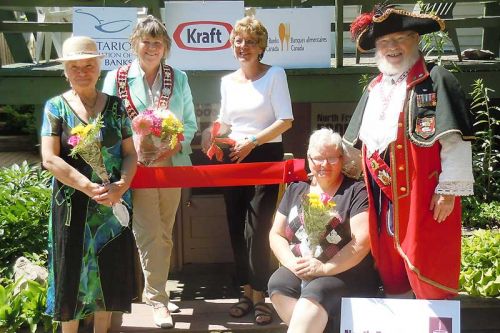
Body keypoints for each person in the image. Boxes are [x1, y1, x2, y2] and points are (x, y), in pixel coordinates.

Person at [344, 3, 474, 300]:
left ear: (416, 39)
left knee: (426, 259)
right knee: (390, 262)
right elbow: (355, 145)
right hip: (382, 196)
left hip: (424, 194)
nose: (392, 47)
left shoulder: (436, 79)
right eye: (384, 42)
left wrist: (449, 190)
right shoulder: (374, 87)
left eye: (400, 39)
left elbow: (455, 139)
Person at [102, 15, 197, 328]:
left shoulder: (178, 78)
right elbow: (106, 126)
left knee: (165, 234)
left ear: (166, 47)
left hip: (171, 165)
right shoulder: (115, 78)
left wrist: (174, 146)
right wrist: (133, 147)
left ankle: (156, 291)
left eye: (158, 43)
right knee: (148, 232)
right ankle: (157, 301)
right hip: (137, 168)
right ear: (135, 43)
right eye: (147, 41)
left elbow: (192, 124)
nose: (152, 48)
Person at [41, 36, 137, 333]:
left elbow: (130, 154)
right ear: (66, 71)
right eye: (75, 67)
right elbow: (50, 159)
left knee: (108, 273)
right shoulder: (55, 107)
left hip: (112, 203)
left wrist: (121, 185)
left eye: (88, 65)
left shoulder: (117, 107)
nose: (82, 71)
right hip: (72, 204)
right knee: (71, 273)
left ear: (98, 68)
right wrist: (86, 185)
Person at [201, 16, 293, 325]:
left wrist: (252, 142)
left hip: (264, 154)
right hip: (232, 157)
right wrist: (209, 133)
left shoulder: (275, 74)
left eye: (250, 41)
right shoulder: (227, 81)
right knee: (236, 225)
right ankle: (244, 291)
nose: (244, 47)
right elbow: (225, 121)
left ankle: (261, 296)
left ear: (262, 46)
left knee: (258, 229)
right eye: (239, 41)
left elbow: (285, 120)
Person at [268, 128, 380, 333]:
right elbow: (276, 234)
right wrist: (292, 264)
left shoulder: (355, 191)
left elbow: (362, 241)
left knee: (315, 292)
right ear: (309, 158)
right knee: (279, 283)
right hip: (301, 265)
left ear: (342, 158)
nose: (324, 165)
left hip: (345, 270)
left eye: (331, 159)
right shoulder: (295, 189)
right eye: (318, 158)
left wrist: (323, 269)